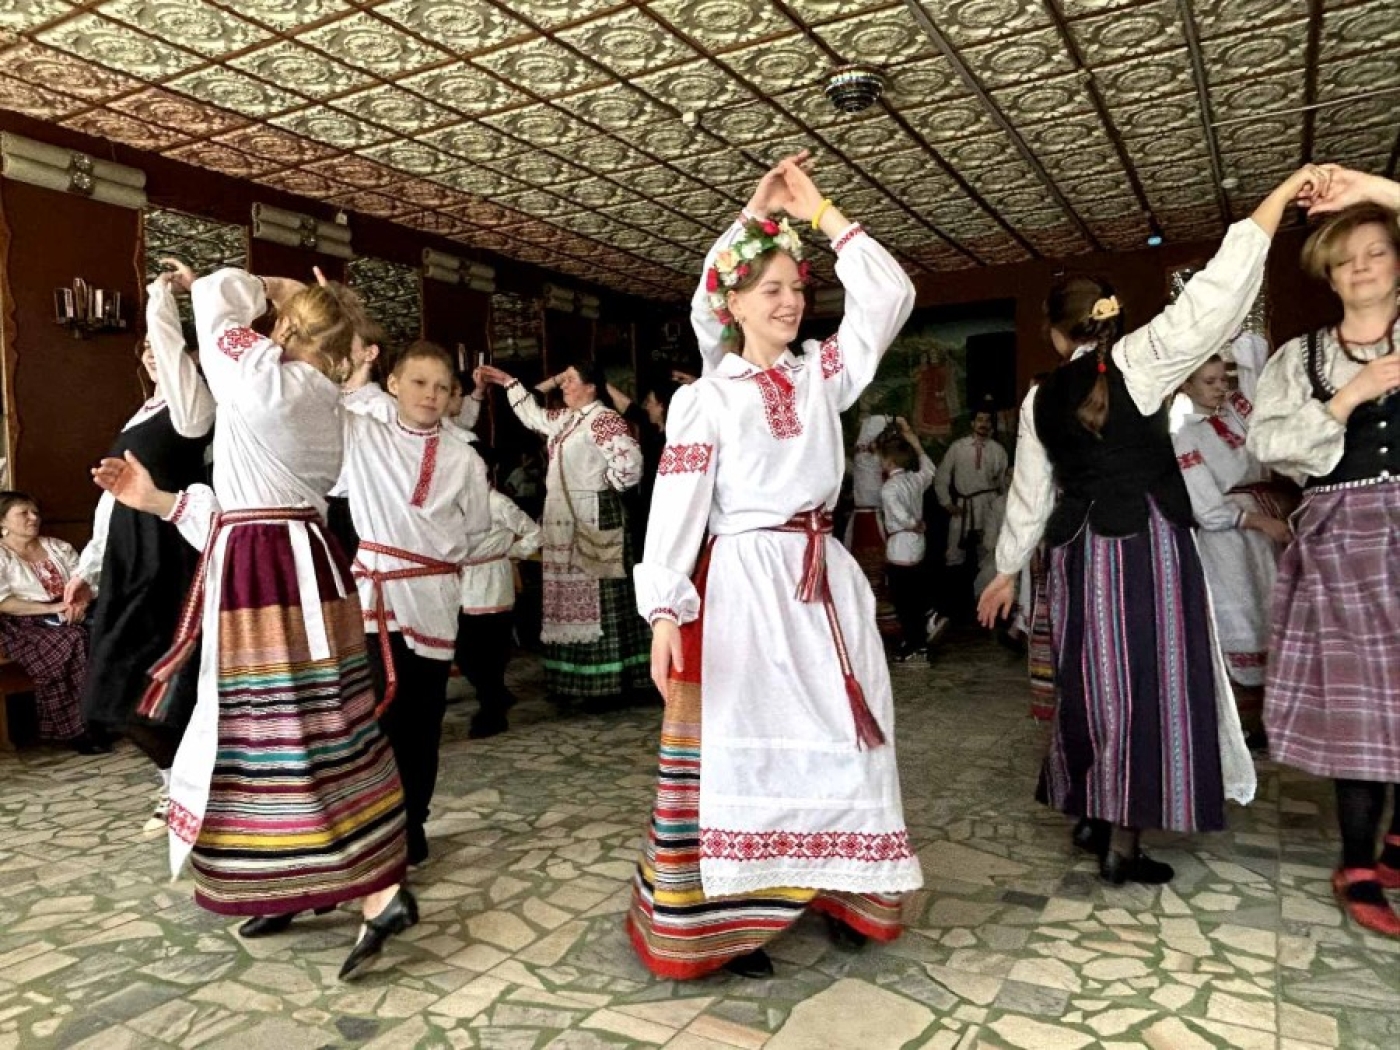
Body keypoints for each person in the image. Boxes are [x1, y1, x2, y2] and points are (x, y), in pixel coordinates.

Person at [979, 166, 1328, 884]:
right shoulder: (1143, 358)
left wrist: (1006, 569)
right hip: (1146, 550)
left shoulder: (1040, 397)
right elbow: (1220, 290)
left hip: (1074, 554)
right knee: (1148, 683)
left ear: (1053, 332)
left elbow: (1028, 494)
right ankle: (1122, 845)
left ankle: (1089, 811)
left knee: (1091, 682)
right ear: (1110, 319)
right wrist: (1277, 196)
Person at [628, 153, 923, 981]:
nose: (791, 301)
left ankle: (840, 893)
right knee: (745, 752)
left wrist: (823, 213)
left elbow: (890, 296)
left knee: (846, 742)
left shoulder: (822, 376)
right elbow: (676, 509)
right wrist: (663, 609)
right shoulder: (708, 398)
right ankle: (726, 924)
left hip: (822, 580)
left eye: (799, 288)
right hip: (748, 592)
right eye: (771, 290)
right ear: (732, 304)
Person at [92, 263, 415, 980]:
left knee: (276, 732)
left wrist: (259, 285)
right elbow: (246, 503)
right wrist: (158, 501)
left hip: (267, 571)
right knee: (313, 728)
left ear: (291, 329)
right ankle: (303, 883)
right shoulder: (325, 397)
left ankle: (376, 891)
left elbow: (214, 303)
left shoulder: (269, 376)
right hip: (300, 558)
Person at [1247, 166, 1400, 937]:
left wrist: (1374, 191)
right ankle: (1359, 859)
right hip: (1345, 538)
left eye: (1377, 251)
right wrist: (1348, 395)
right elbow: (1271, 443)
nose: (1363, 267)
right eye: (1348, 259)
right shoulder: (1302, 361)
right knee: (1364, 706)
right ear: (1329, 274)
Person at [340, 340, 492, 866]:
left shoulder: (464, 459)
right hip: (373, 596)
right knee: (369, 716)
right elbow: (336, 400)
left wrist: (427, 554)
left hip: (431, 598)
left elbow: (475, 530)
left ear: (454, 398)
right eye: (420, 382)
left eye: (443, 387)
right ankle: (370, 824)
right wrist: (354, 360)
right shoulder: (363, 435)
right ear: (395, 384)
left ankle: (413, 822)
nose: (431, 395)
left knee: (421, 719)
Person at [70, 268, 214, 819]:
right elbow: (114, 498)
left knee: (153, 676)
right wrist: (92, 566)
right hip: (129, 553)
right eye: (147, 351)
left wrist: (161, 298)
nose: (154, 355)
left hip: (167, 551)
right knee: (111, 687)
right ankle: (176, 779)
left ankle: (186, 786)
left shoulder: (192, 407)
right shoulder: (145, 412)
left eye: (164, 348)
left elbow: (175, 356)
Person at [473, 359, 648, 705]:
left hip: (591, 515)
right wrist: (510, 382)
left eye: (570, 380)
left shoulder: (603, 419)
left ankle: (607, 684)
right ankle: (574, 683)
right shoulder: (567, 420)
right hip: (563, 519)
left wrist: (603, 488)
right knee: (566, 601)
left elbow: (630, 464)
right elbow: (533, 415)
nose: (563, 386)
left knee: (599, 599)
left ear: (592, 387)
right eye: (563, 381)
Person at [1171, 344, 1292, 746]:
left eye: (1224, 379)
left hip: (1265, 527)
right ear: (1186, 385)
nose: (1220, 388)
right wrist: (1258, 522)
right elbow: (1205, 506)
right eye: (1209, 382)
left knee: (1270, 608)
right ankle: (1238, 723)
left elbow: (1255, 354)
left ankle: (1272, 717)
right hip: (1229, 538)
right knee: (1237, 614)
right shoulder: (1185, 434)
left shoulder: (1238, 413)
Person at [0, 492, 101, 752]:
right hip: (23, 623)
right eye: (24, 513)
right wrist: (53, 607)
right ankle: (78, 730)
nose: (33, 518)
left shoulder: (58, 546)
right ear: (3, 522)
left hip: (71, 610)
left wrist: (79, 602)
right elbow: (4, 603)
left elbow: (87, 581)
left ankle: (110, 718)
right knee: (74, 640)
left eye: (35, 512)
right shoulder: (2, 555)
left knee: (106, 629)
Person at [455, 488, 541, 739]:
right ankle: (496, 695)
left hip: (492, 583)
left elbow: (535, 533)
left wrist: (511, 553)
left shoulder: (498, 502)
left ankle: (492, 711)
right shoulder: (453, 503)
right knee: (465, 653)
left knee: (490, 651)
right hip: (463, 585)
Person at [933, 403, 1008, 624]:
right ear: (972, 423)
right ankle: (956, 607)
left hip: (989, 504)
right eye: (980, 420)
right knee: (955, 553)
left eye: (987, 421)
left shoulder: (997, 450)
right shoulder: (958, 448)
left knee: (988, 550)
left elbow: (1004, 482)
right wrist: (947, 502)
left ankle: (986, 606)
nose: (983, 425)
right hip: (963, 506)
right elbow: (941, 477)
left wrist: (1001, 509)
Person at [878, 417, 936, 660]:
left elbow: (900, 515)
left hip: (901, 544)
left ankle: (914, 643)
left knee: (903, 600)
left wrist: (913, 523)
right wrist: (918, 446)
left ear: (890, 461)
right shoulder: (914, 480)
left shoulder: (889, 488)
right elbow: (930, 470)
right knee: (914, 593)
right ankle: (921, 634)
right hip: (917, 544)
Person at [610, 377, 674, 554]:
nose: (647, 406)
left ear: (662, 406)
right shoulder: (651, 428)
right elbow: (627, 407)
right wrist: (601, 382)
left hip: (664, 509)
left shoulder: (675, 438)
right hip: (645, 506)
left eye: (651, 402)